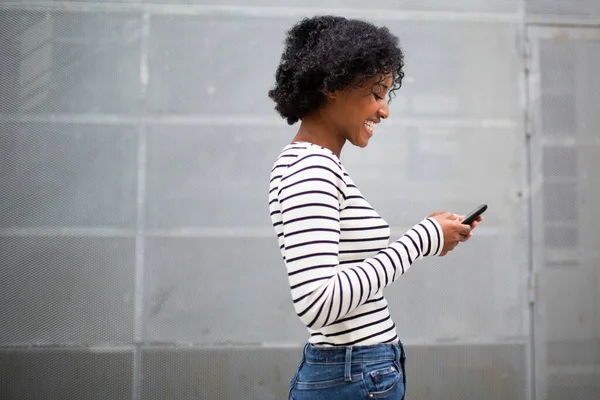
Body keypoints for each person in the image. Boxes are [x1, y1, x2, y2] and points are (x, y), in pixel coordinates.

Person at [267, 15, 482, 400]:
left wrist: (434, 235)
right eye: (376, 93)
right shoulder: (310, 169)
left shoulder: (316, 164)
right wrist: (421, 239)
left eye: (386, 95)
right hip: (350, 377)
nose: (384, 111)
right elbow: (318, 302)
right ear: (333, 85)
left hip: (357, 373)